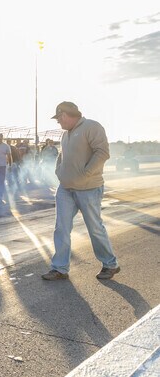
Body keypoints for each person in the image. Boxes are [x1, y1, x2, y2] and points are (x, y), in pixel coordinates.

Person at [42, 101, 119, 281]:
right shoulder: (65, 135)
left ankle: (110, 264)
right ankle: (60, 268)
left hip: (89, 188)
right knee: (61, 228)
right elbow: (62, 156)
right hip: (65, 189)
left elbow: (102, 152)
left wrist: (86, 173)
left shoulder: (91, 127)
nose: (58, 123)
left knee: (94, 228)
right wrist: (59, 171)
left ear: (66, 115)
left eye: (59, 118)